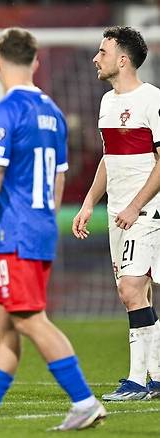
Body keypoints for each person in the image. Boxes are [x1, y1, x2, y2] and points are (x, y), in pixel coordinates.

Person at [0, 27, 106, 432]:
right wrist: (44, 219)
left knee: (30, 318)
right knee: (2, 318)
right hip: (39, 227)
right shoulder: (53, 112)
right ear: (36, 62)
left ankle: (85, 401)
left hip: (15, 231)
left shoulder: (5, 111)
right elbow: (59, 178)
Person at [73, 26, 160, 401]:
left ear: (122, 59)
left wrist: (136, 205)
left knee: (129, 290)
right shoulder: (108, 103)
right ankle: (155, 378)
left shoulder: (152, 100)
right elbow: (110, 158)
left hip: (146, 210)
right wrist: (91, 201)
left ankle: (137, 380)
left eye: (103, 51)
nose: (96, 57)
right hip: (118, 211)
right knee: (141, 292)